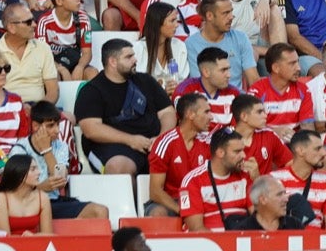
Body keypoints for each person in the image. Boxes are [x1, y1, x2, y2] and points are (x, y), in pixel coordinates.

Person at [75, 38, 175, 176]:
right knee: (119, 168)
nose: (135, 60)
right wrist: (131, 140)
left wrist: (161, 138)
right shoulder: (92, 90)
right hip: (113, 148)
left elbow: (167, 113)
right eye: (129, 57)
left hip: (154, 143)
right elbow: (91, 129)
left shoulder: (146, 81)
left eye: (133, 55)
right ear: (113, 62)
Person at [177, 131, 251, 231]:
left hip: (241, 242)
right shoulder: (192, 181)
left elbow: (261, 218)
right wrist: (226, 244)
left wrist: (257, 179)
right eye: (237, 151)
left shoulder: (246, 175)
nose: (244, 155)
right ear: (220, 153)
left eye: (243, 150)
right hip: (206, 244)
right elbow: (196, 229)